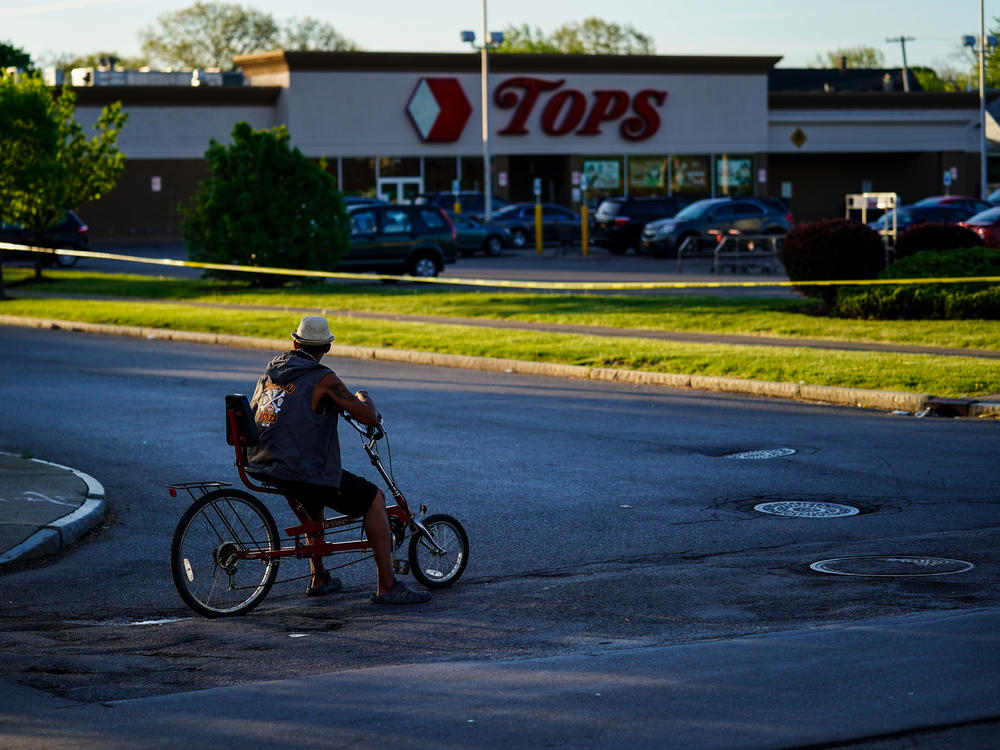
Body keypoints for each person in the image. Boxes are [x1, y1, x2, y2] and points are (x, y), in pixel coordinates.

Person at [245, 315, 430, 604]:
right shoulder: (324, 379)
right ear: (327, 348)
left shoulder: (274, 368)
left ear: (295, 343)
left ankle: (319, 578)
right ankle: (388, 586)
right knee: (374, 499)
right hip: (299, 468)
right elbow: (366, 416)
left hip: (264, 461)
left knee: (314, 504)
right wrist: (364, 396)